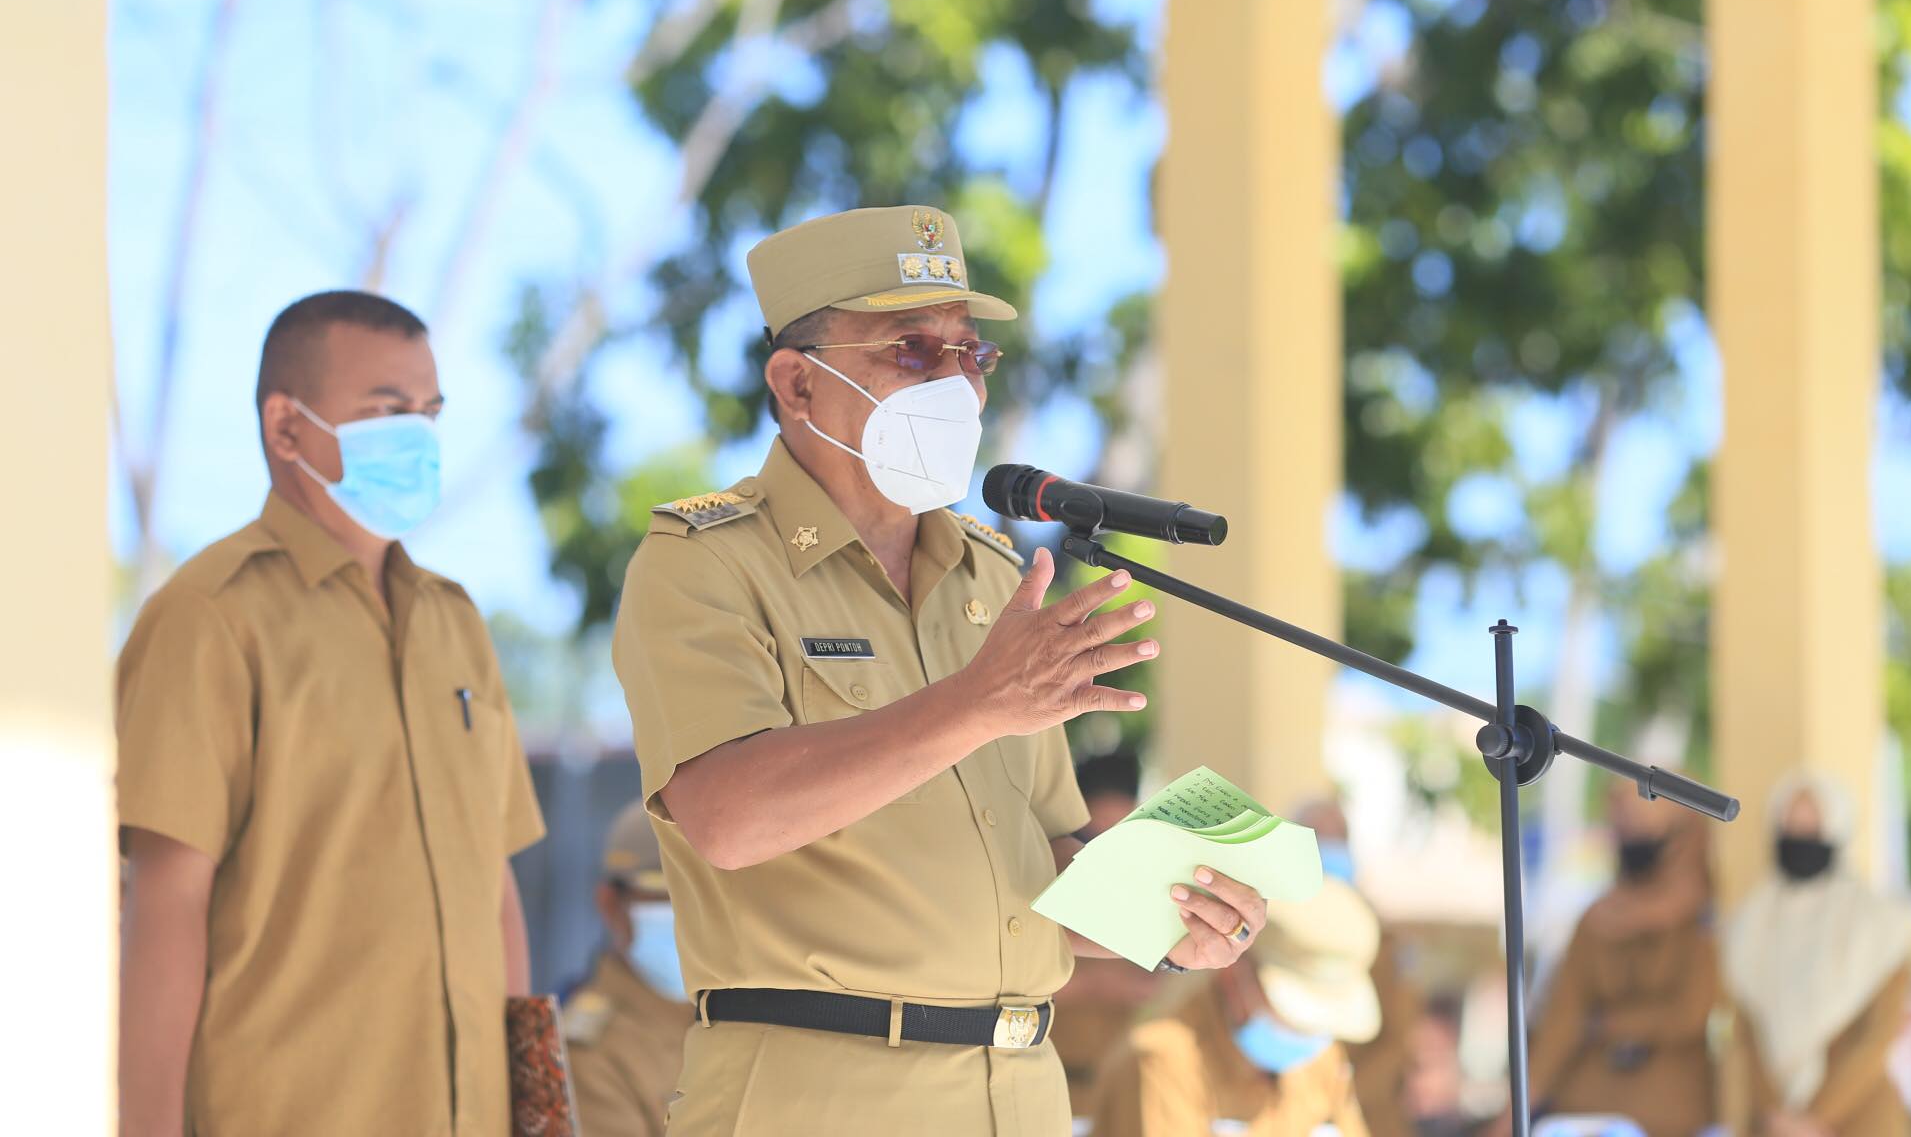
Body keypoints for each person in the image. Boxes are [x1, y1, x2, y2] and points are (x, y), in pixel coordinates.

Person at [612, 205, 1272, 1135]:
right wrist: (977, 702)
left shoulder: (994, 577)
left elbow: (1039, 873)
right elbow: (726, 817)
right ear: (798, 385)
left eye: (972, 355)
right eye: (913, 353)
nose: (957, 384)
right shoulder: (708, 562)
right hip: (817, 1094)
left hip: (1019, 1091)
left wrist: (1172, 912)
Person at [116, 291, 546, 1136]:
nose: (418, 437)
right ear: (286, 429)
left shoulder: (454, 623)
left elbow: (493, 892)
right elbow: (165, 912)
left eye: (429, 413)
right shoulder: (210, 618)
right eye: (387, 411)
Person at [1086, 878, 1381, 1137]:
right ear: (1235, 971)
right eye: (1295, 1019)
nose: (1309, 1034)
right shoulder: (1165, 1055)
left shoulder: (1322, 1062)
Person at [1720, 769, 1911, 1137]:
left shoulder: (1878, 925)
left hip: (1860, 1118)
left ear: (1835, 831)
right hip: (1772, 1122)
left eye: (1811, 828)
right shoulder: (1751, 923)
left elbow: (1877, 1036)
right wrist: (1777, 1115)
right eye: (1791, 826)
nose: (1799, 838)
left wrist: (1815, 1117)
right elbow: (1744, 1031)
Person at [1520, 780, 1719, 1137]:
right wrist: (1516, 1107)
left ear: (1678, 835)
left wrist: (1607, 1023)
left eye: (1644, 824)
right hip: (1587, 1105)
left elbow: (1692, 1011)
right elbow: (1564, 1017)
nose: (1632, 835)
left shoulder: (1703, 922)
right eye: (1624, 825)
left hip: (1671, 1114)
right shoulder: (1597, 919)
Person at [564, 800, 695, 1137]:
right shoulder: (591, 1052)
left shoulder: (744, 1015)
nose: (685, 912)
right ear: (611, 905)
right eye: (662, 893)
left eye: (700, 896)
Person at [1295, 796, 1420, 1137]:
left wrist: (1336, 1101)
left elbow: (1401, 1039)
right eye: (1318, 835)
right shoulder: (1270, 929)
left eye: (1340, 837)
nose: (1330, 846)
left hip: (1369, 1117)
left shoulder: (1385, 940)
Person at [1053, 749, 1165, 1117]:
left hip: (1131, 1096)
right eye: (1091, 837)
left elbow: (1176, 989)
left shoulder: (1156, 882)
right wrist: (1099, 982)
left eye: (1118, 835)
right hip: (1053, 1086)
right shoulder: (1044, 873)